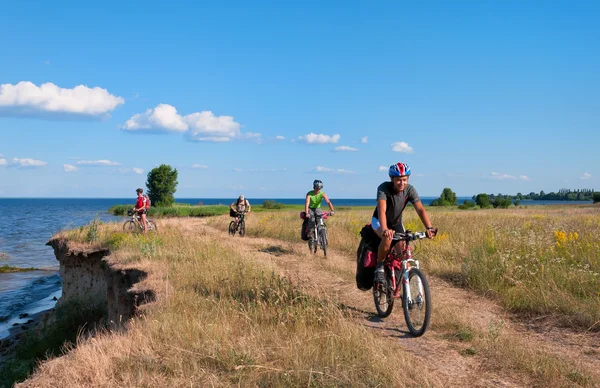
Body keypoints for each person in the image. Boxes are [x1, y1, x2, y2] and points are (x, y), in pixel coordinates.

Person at [372, 163, 436, 294]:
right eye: (399, 180)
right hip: (379, 221)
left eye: (405, 179)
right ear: (392, 179)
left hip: (396, 223)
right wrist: (384, 230)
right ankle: (380, 266)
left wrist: (429, 227)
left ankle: (402, 290)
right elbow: (382, 211)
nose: (402, 183)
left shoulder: (410, 190)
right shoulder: (384, 188)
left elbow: (420, 209)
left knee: (404, 256)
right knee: (387, 239)